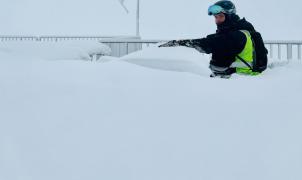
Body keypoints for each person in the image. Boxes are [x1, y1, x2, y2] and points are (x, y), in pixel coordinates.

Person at [159, 0, 268, 78]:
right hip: (241, 76)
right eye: (216, 17)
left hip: (243, 79)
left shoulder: (238, 35)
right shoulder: (240, 29)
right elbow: (214, 40)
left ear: (229, 16)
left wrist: (180, 43)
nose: (217, 20)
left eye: (220, 16)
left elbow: (210, 44)